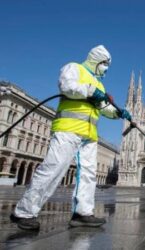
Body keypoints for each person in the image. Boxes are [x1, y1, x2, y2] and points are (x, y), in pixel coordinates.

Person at [10, 45, 132, 230]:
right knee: (53, 168)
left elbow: (102, 107)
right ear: (96, 60)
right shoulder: (75, 68)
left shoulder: (98, 84)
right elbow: (67, 87)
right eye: (105, 64)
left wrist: (117, 113)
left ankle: (83, 213)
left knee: (88, 175)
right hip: (68, 129)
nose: (106, 68)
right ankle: (24, 212)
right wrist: (91, 91)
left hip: (90, 135)